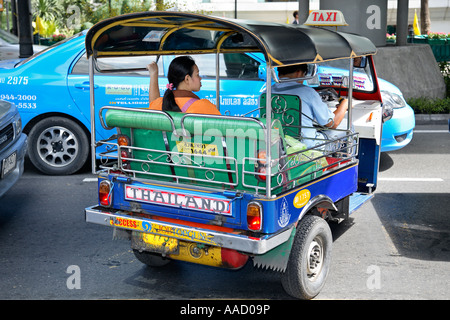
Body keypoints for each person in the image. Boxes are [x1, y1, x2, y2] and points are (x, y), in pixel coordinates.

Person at [270, 64, 349, 148]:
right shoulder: (308, 92)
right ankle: (351, 159)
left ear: (279, 74)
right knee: (348, 124)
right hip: (306, 145)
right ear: (299, 73)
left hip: (278, 143)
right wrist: (345, 104)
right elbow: (332, 123)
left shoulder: (266, 93)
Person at [147, 56, 220, 115]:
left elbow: (153, 102)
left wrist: (153, 74)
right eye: (197, 75)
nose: (200, 78)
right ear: (187, 79)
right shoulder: (204, 107)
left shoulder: (159, 104)